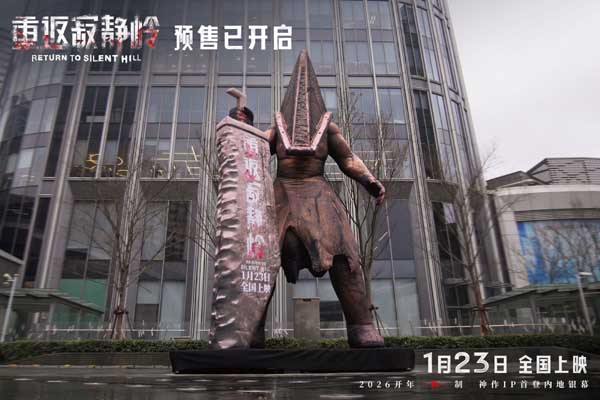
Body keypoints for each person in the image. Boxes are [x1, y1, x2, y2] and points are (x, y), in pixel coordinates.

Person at [232, 50, 386, 347]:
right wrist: (240, 124)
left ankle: (361, 325)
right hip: (282, 194)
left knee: (345, 257)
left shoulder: (328, 130)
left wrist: (370, 180)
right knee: (260, 261)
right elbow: (253, 154)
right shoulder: (276, 130)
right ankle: (250, 330)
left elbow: (348, 159)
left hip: (318, 193)